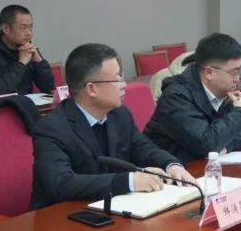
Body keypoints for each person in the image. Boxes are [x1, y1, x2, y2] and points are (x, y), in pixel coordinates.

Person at [30, 43, 192, 209]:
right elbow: (62, 183)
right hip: (62, 215)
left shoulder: (119, 115)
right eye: (117, 79)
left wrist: (171, 165)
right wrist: (130, 181)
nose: (124, 85)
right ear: (91, 89)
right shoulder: (51, 128)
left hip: (112, 207)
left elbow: (143, 148)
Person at [146, 33, 241, 163]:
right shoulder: (176, 97)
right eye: (234, 72)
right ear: (209, 73)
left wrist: (228, 145)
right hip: (170, 169)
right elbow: (207, 143)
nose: (237, 79)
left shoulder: (225, 92)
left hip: (206, 166)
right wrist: (239, 112)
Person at [0, 4, 54, 96]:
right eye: (23, 28)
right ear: (6, 29)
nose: (29, 33)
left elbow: (48, 87)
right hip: (0, 104)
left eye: (31, 27)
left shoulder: (27, 46)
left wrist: (39, 61)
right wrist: (21, 63)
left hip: (26, 102)